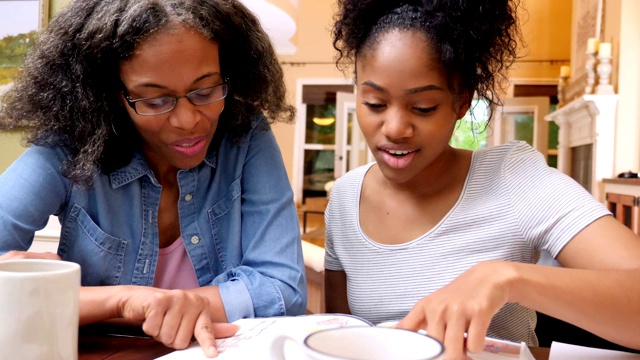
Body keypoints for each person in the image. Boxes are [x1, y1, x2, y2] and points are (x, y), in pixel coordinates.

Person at [324, 0, 640, 359]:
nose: (395, 129)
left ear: (462, 101)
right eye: (374, 103)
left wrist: (505, 279)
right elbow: (339, 338)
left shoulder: (514, 180)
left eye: (424, 107)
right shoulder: (345, 199)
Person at [0, 0, 307, 357]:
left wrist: (69, 299)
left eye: (205, 91)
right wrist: (125, 300)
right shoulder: (70, 146)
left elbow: (285, 289)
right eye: (156, 100)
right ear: (113, 96)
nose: (188, 120)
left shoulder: (245, 133)